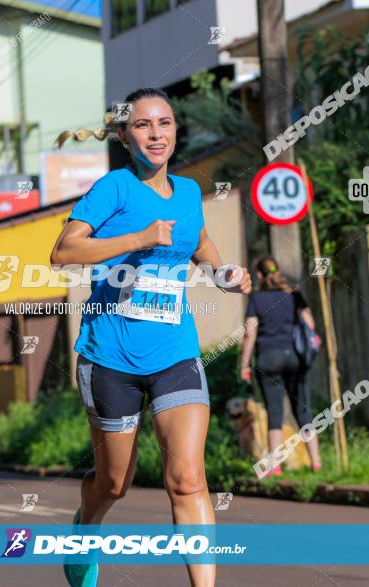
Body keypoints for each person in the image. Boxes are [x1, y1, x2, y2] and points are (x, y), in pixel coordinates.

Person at [50, 87, 251, 587]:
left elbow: (200, 243)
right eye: (143, 125)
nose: (155, 134)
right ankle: (85, 531)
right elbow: (64, 252)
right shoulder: (113, 189)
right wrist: (139, 239)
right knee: (113, 483)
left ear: (176, 131)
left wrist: (224, 273)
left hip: (174, 352)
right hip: (110, 356)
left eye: (164, 123)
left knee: (187, 479)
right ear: (124, 135)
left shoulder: (186, 193)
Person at [239, 256, 321, 476]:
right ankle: (316, 463)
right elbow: (310, 325)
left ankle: (275, 466)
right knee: (303, 411)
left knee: (275, 413)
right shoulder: (294, 296)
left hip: (268, 359)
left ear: (259, 276)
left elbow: (250, 334)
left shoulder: (256, 300)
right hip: (296, 358)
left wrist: (244, 365)